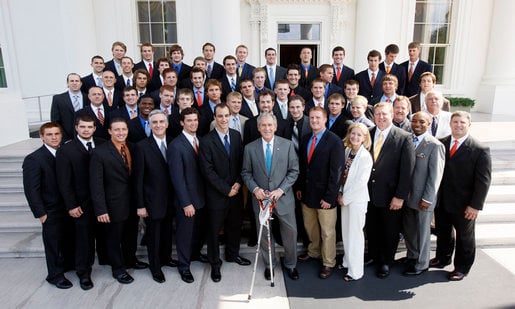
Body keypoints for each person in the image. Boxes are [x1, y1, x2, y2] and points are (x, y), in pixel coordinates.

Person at [431, 111, 492, 281]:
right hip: (442, 201)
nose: (458, 125)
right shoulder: (441, 143)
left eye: (462, 122)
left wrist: (475, 205)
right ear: (450, 124)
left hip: (465, 204)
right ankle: (442, 258)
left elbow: (484, 181)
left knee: (465, 237)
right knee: (443, 232)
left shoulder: (480, 149)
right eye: (455, 122)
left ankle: (462, 268)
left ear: (469, 125)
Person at [241, 112, 300, 281]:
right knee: (265, 233)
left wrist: (281, 190)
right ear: (259, 128)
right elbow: (246, 173)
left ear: (275, 127)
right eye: (263, 125)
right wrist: (254, 189)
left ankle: (291, 264)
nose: (267, 128)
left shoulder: (287, 145)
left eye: (270, 125)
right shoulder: (250, 148)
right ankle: (269, 265)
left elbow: (294, 171)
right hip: (261, 200)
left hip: (283, 198)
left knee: (290, 233)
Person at [90, 118, 147, 285]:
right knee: (114, 238)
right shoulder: (99, 153)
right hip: (112, 205)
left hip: (131, 203)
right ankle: (118, 268)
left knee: (131, 234)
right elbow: (96, 184)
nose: (121, 133)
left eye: (123, 129)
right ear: (109, 131)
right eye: (117, 130)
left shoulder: (133, 147)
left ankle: (131, 260)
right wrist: (101, 210)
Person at [200, 103, 251, 283]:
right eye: (220, 116)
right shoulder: (206, 141)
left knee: (234, 226)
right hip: (217, 195)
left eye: (226, 116)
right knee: (214, 231)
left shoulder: (237, 136)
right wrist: (226, 189)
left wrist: (237, 184)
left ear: (230, 117)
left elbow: (241, 163)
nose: (223, 119)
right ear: (215, 117)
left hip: (235, 192)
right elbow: (207, 171)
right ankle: (214, 263)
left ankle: (233, 254)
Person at [55, 115, 105, 290]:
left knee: (104, 236)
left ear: (94, 128)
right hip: (81, 205)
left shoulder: (101, 143)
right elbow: (64, 182)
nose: (86, 130)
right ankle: (83, 273)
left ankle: (106, 261)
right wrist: (71, 205)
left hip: (101, 202)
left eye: (89, 127)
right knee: (84, 241)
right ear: (76, 128)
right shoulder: (66, 150)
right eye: (82, 127)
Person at [367, 102, 415, 278]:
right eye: (377, 114)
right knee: (372, 228)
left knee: (390, 230)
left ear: (392, 115)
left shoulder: (404, 137)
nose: (380, 117)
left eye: (384, 114)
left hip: (391, 195)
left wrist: (400, 197)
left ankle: (386, 261)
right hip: (369, 193)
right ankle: (373, 255)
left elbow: (407, 170)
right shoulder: (368, 133)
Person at [297, 106, 345, 279]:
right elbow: (304, 167)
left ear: (325, 119)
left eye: (318, 118)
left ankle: (328, 262)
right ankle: (314, 251)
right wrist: (301, 188)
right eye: (312, 118)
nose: (314, 121)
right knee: (311, 227)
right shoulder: (305, 139)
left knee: (327, 231)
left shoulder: (334, 141)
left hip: (325, 196)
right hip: (308, 194)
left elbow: (337, 172)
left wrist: (329, 196)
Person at [23, 122, 73, 289]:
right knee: (53, 244)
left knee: (66, 240)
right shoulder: (34, 159)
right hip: (50, 210)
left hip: (68, 207)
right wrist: (41, 214)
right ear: (42, 136)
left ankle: (66, 265)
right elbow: (31, 190)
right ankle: (55, 275)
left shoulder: (64, 153)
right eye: (50, 134)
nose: (54, 137)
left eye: (57, 134)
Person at [133, 110, 176, 284]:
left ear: (166, 124)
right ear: (149, 125)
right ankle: (155, 266)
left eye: (161, 122)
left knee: (167, 232)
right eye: (154, 122)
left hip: (171, 199)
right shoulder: (142, 146)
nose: (158, 125)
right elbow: (138, 179)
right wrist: (140, 204)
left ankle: (166, 258)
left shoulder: (173, 142)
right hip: (152, 200)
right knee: (154, 235)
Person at [402, 111, 445, 276]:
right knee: (410, 230)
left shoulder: (434, 145)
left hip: (423, 198)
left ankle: (422, 263)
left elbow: (435, 176)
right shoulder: (408, 140)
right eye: (414, 121)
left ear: (428, 124)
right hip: (407, 197)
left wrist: (428, 198)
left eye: (422, 122)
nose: (417, 125)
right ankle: (412, 256)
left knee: (423, 232)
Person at [168, 108, 207, 284]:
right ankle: (184, 266)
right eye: (189, 120)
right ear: (182, 123)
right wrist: (186, 203)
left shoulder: (200, 140)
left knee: (198, 232)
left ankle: (195, 254)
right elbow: (177, 178)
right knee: (184, 235)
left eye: (195, 120)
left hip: (201, 197)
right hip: (187, 201)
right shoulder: (176, 145)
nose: (193, 123)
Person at [337, 123, 373, 281]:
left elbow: (360, 182)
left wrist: (345, 198)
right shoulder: (347, 151)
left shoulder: (365, 156)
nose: (355, 137)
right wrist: (340, 193)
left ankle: (356, 271)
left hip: (356, 201)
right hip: (344, 198)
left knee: (355, 236)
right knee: (346, 233)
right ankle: (347, 262)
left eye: (359, 135)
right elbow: (342, 175)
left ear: (365, 138)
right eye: (353, 133)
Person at [50, 73, 87, 142]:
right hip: (66, 139)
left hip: (86, 137)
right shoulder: (58, 99)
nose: (74, 83)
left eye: (77, 81)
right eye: (72, 81)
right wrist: (64, 139)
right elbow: (55, 121)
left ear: (81, 83)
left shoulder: (88, 97)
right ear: (67, 83)